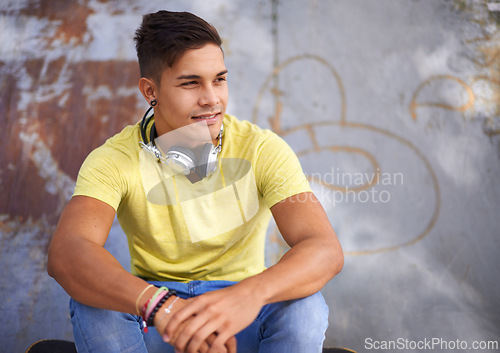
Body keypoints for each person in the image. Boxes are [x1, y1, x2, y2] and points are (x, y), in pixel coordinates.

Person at [47, 10, 344, 353]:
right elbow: (67, 252)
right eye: (191, 83)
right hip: (157, 319)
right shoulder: (115, 158)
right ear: (150, 91)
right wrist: (161, 307)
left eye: (219, 79)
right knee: (92, 303)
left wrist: (248, 295)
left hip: (241, 318)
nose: (212, 98)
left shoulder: (262, 149)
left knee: (306, 306)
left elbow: (324, 248)